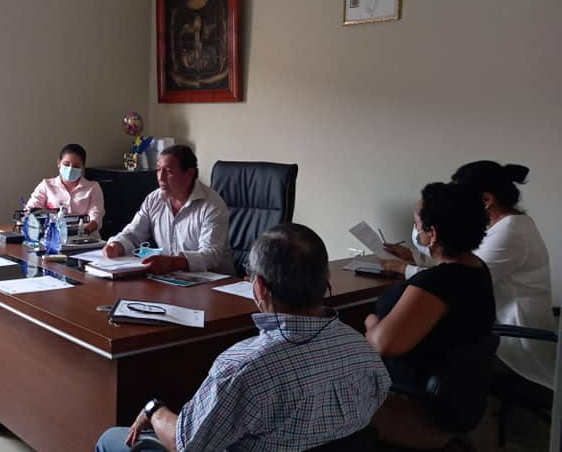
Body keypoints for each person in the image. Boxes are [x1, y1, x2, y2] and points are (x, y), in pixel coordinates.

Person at [96, 224, 391, 451]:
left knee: (111, 439)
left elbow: (185, 445)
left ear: (259, 287)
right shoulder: (362, 349)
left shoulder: (242, 367)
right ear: (325, 279)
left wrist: (154, 410)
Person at [382, 161, 556, 392]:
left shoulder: (510, 231)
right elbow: (460, 262)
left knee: (418, 343)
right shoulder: (509, 224)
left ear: (486, 200)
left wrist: (403, 268)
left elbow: (455, 278)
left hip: (514, 340)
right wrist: (415, 256)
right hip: (497, 329)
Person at [365, 182, 495, 448]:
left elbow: (381, 344)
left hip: (413, 403)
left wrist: (370, 321)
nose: (414, 230)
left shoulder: (436, 284)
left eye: (416, 224)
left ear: (432, 233)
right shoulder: (476, 268)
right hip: (455, 398)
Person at [103, 145, 232, 274]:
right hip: (172, 277)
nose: (161, 177)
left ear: (189, 174)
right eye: (159, 170)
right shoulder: (154, 199)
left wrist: (173, 263)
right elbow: (132, 234)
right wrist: (117, 245)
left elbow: (210, 255)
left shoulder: (212, 205)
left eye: (169, 171)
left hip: (215, 280)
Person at [24, 143, 104, 236]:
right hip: (53, 236)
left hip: (86, 237)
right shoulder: (46, 185)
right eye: (66, 164)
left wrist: (83, 230)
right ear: (59, 163)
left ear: (82, 167)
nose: (70, 169)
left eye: (76, 166)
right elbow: (31, 208)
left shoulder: (93, 187)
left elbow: (96, 215)